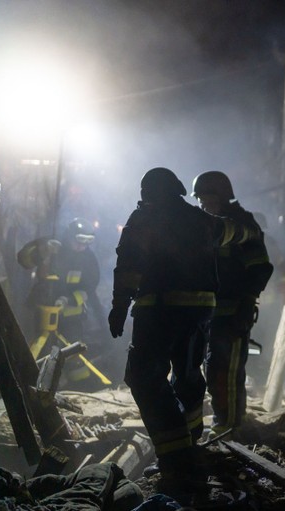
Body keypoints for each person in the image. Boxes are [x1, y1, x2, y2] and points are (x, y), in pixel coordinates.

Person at [108, 167, 259, 483]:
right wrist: (248, 230)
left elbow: (129, 264)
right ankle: (191, 444)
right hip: (200, 311)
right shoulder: (201, 220)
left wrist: (120, 306)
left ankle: (176, 458)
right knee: (188, 376)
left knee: (144, 375)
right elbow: (234, 232)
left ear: (148, 192)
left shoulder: (144, 218)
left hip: (158, 310)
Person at [191, 171, 274, 438]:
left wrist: (248, 301)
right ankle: (225, 421)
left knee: (225, 370)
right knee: (209, 369)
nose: (204, 204)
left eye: (208, 199)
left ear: (223, 196)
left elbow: (260, 267)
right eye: (200, 200)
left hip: (233, 312)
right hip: (206, 314)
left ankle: (229, 426)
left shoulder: (241, 223)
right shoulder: (204, 225)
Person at [17, 218, 105, 388]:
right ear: (69, 236)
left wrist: (69, 300)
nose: (82, 246)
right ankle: (31, 386)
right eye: (79, 241)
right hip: (42, 313)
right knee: (40, 352)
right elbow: (23, 259)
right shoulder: (53, 245)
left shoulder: (88, 259)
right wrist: (43, 250)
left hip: (71, 318)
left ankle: (81, 392)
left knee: (74, 356)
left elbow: (89, 287)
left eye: (87, 242)